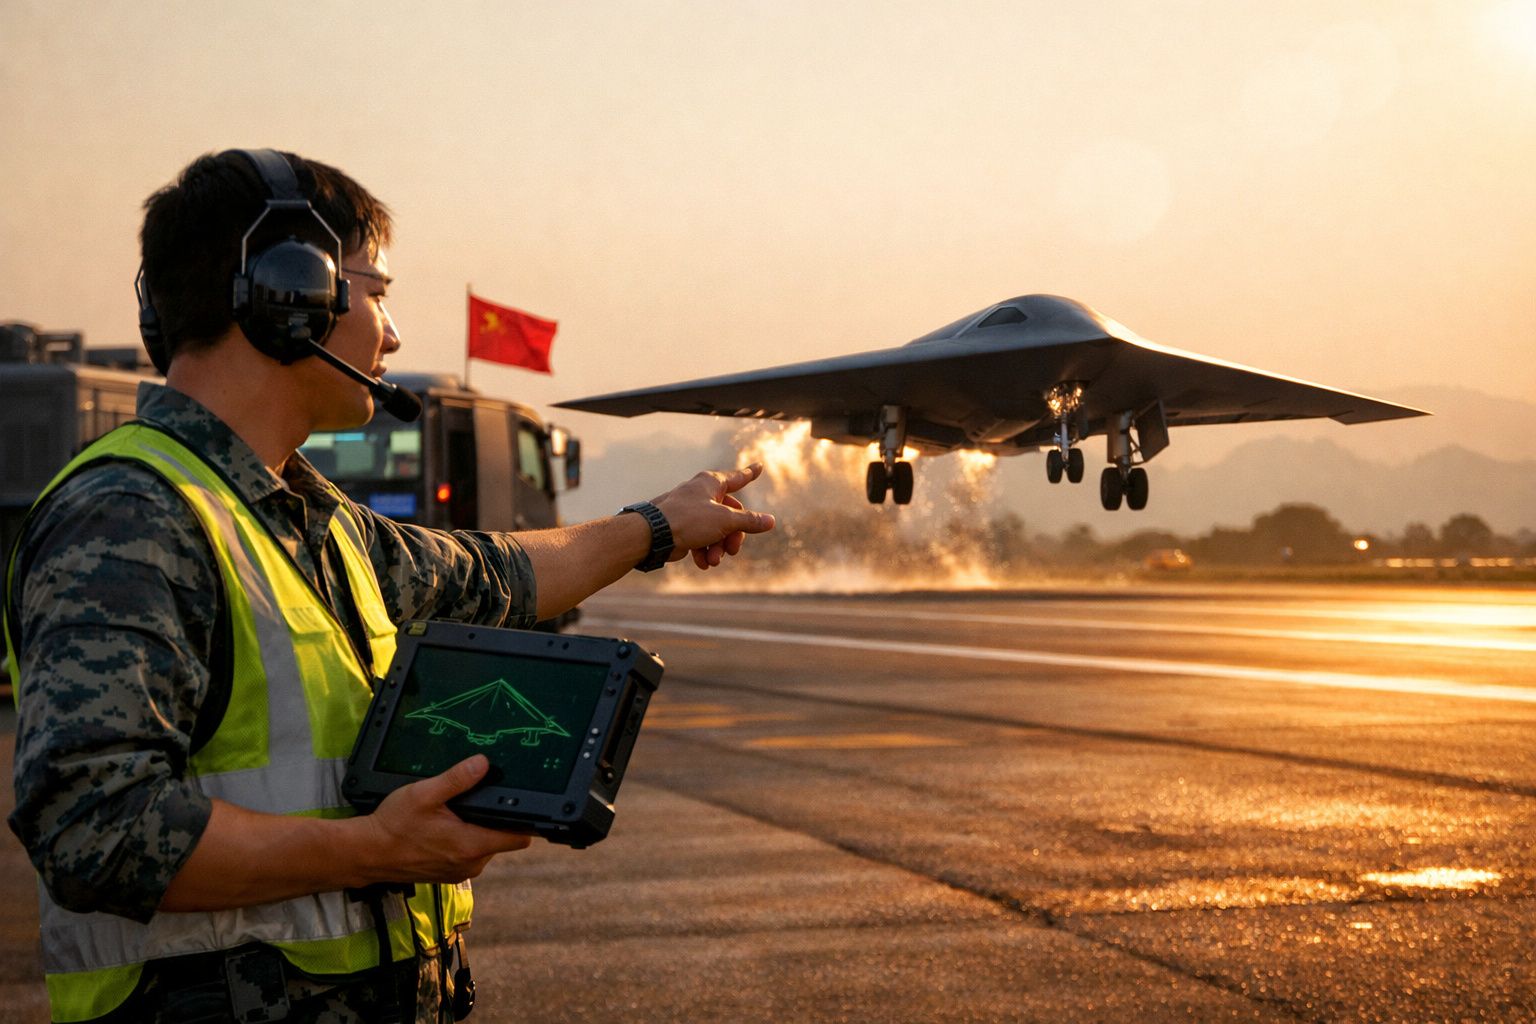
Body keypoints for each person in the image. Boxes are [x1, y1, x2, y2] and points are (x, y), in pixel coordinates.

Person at [2, 148, 775, 1024]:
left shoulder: (308, 519)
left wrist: (661, 524)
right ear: (290, 294)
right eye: (376, 292)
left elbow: (497, 576)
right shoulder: (134, 517)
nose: (393, 334)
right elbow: (93, 828)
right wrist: (374, 848)